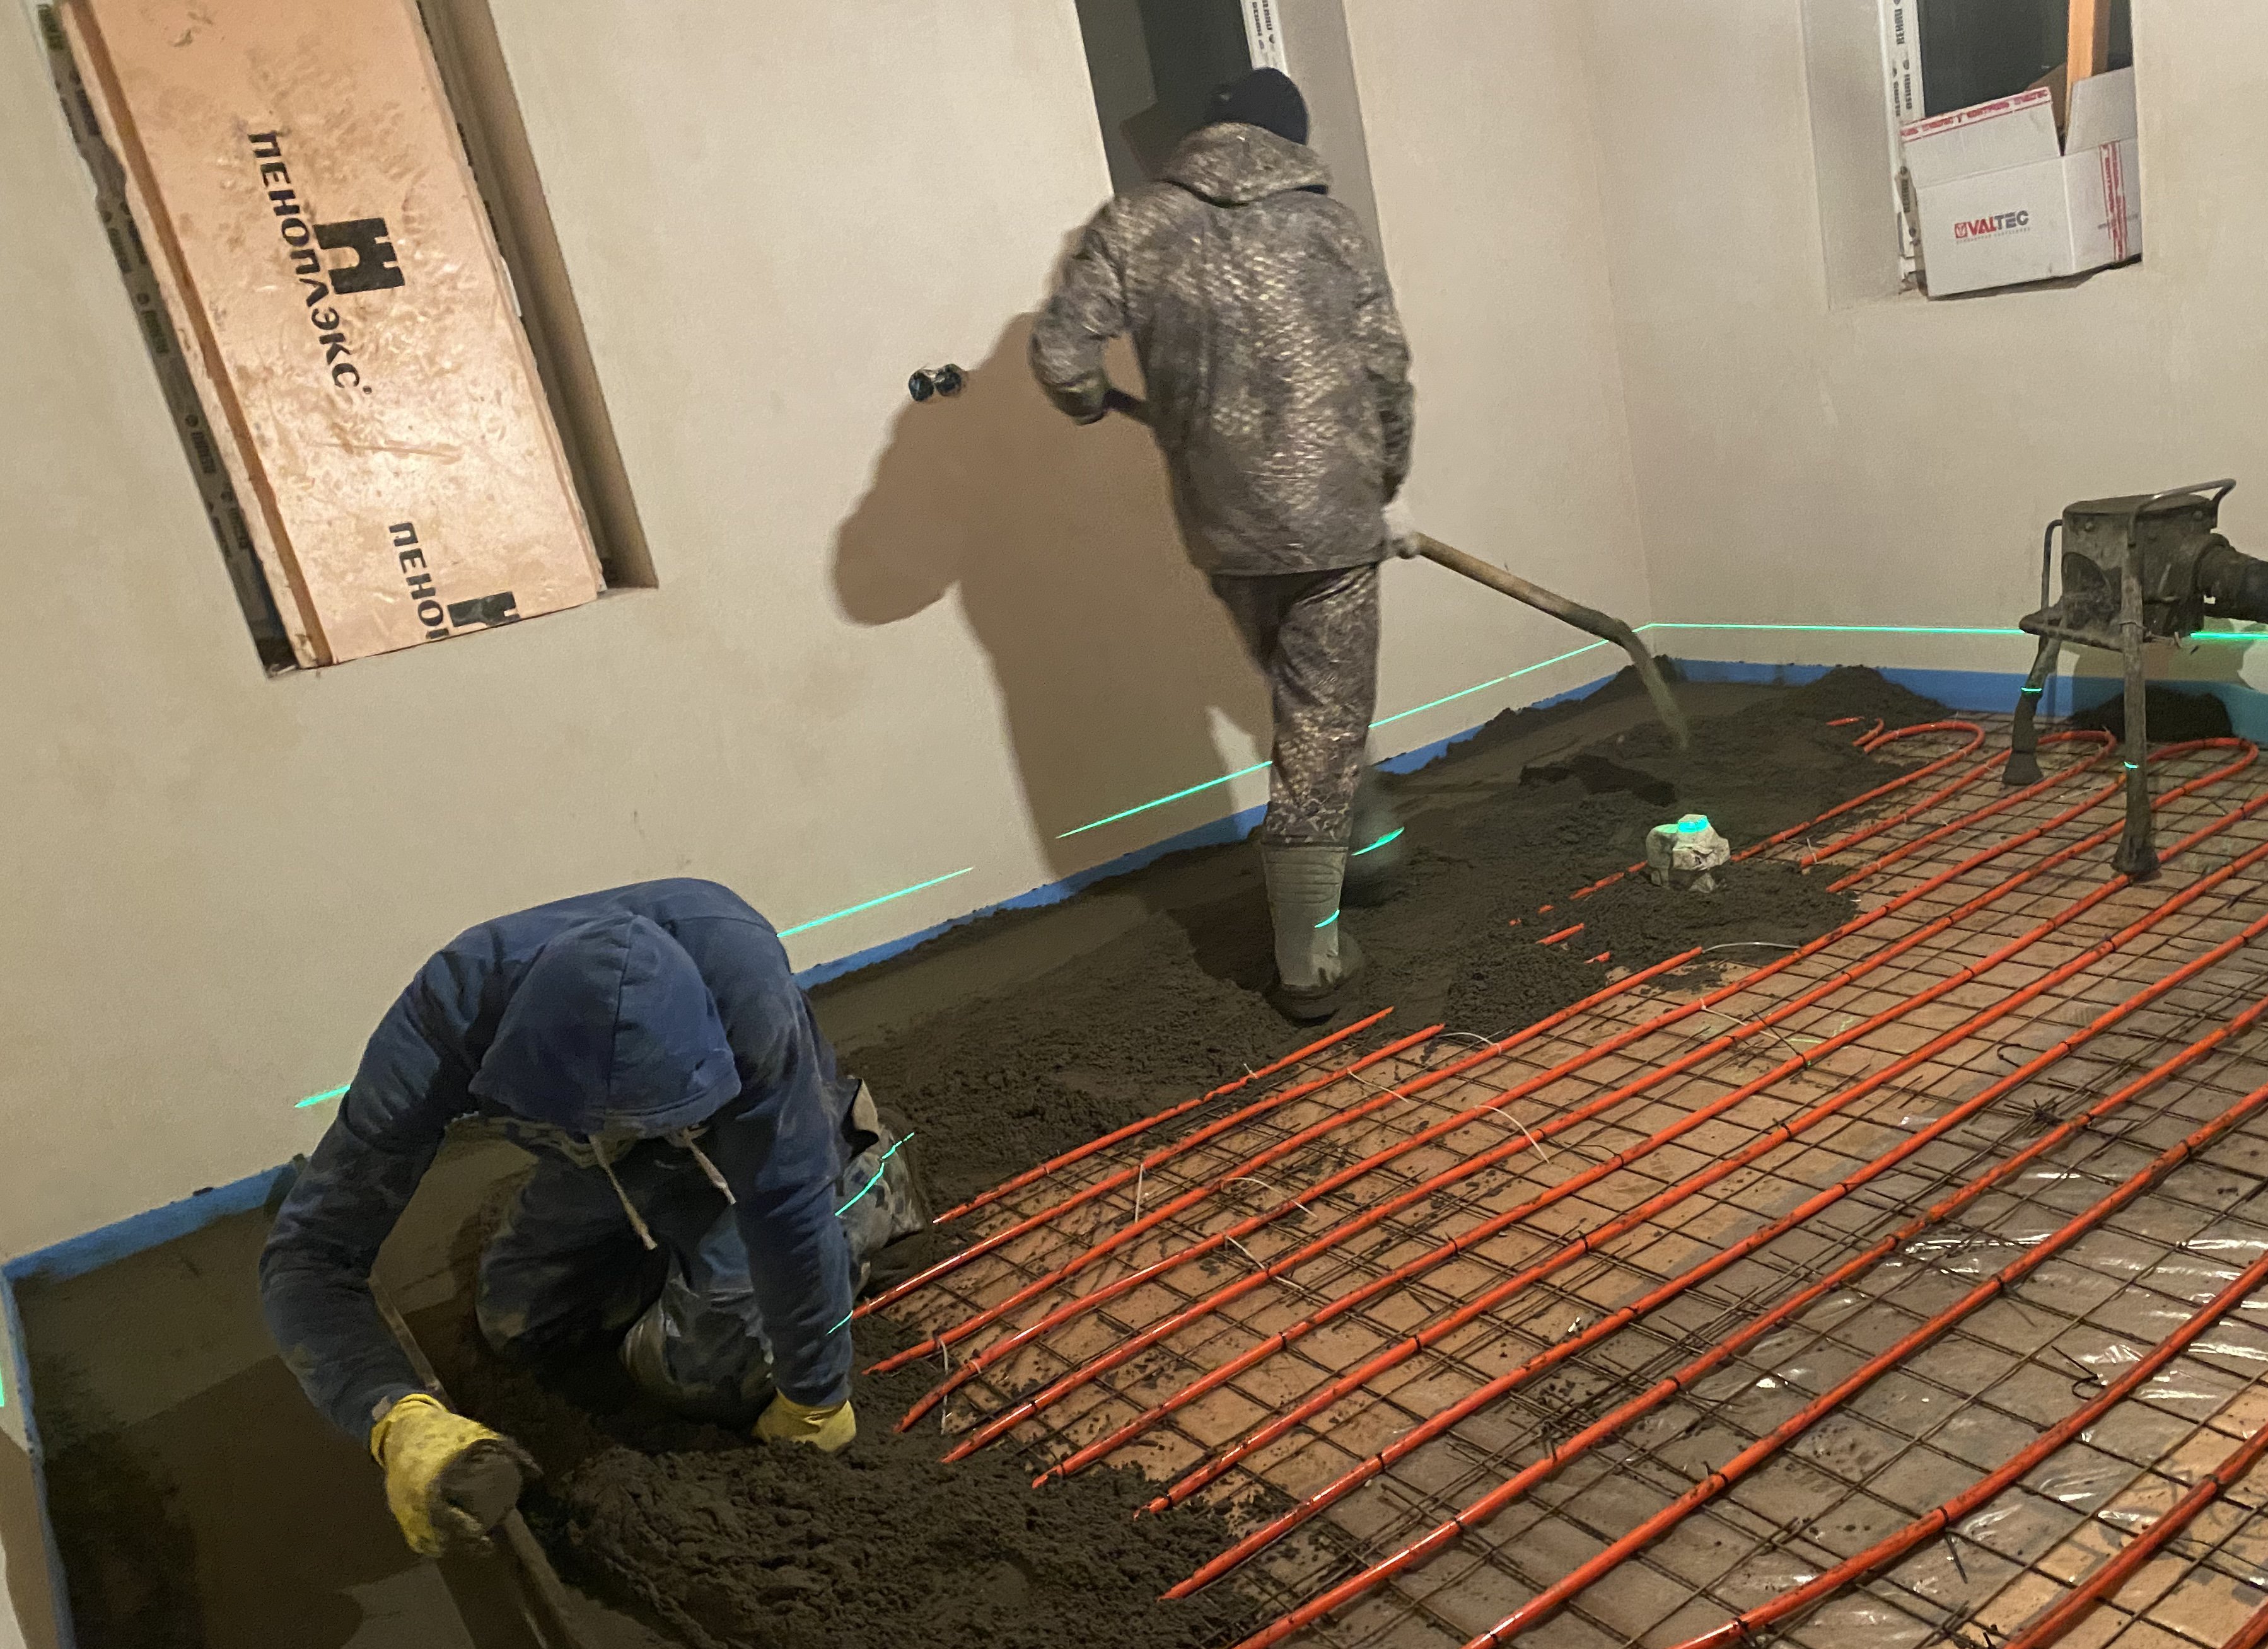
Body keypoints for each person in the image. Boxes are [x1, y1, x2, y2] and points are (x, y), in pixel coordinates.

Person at [259, 878, 923, 1556]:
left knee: (701, 1379)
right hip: (600, 1166)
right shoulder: (442, 1028)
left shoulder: (745, 993)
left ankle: (869, 1179)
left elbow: (784, 1202)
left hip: (736, 1146)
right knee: (516, 1325)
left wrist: (814, 1394)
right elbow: (310, 1255)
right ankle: (679, 1245)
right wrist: (394, 1416)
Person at [1030, 66, 1415, 1022]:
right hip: (1332, 523)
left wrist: (1088, 401)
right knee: (1323, 715)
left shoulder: (1136, 222)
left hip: (1223, 524)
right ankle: (1310, 959)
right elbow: (1386, 369)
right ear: (1293, 140)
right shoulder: (1328, 227)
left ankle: (1361, 830)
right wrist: (1385, 481)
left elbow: (1062, 355)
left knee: (1306, 703)